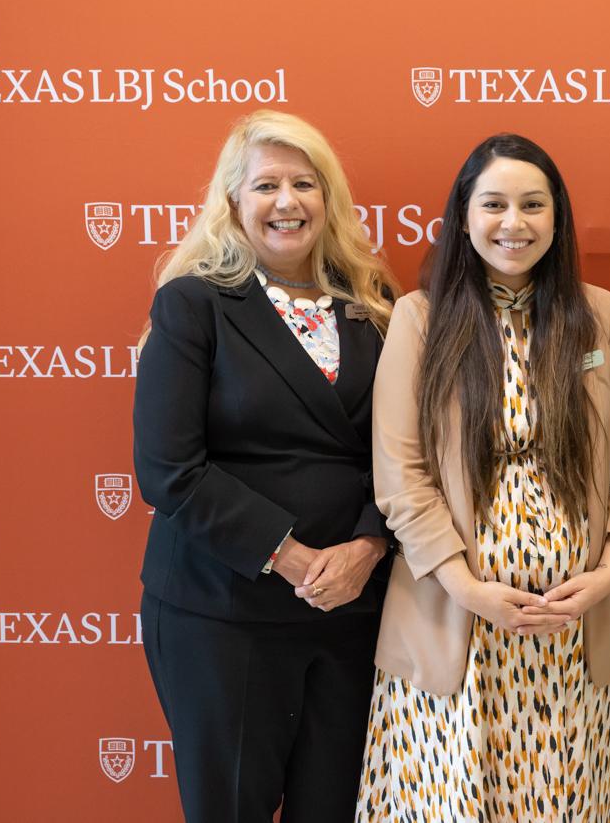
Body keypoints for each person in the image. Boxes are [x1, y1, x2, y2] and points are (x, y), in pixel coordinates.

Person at [356, 133, 610, 822]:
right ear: (464, 216)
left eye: (533, 205)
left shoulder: (599, 314)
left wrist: (608, 573)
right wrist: (468, 589)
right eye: (493, 204)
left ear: (558, 219)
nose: (513, 223)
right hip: (455, 624)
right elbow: (400, 475)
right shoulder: (421, 320)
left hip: (576, 630)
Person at [133, 110, 400, 822]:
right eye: (266, 185)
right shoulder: (193, 305)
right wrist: (290, 558)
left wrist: (368, 549)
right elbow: (168, 470)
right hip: (222, 614)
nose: (287, 201)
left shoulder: (375, 309)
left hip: (352, 610)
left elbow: (410, 455)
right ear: (233, 203)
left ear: (328, 201)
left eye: (304, 184)